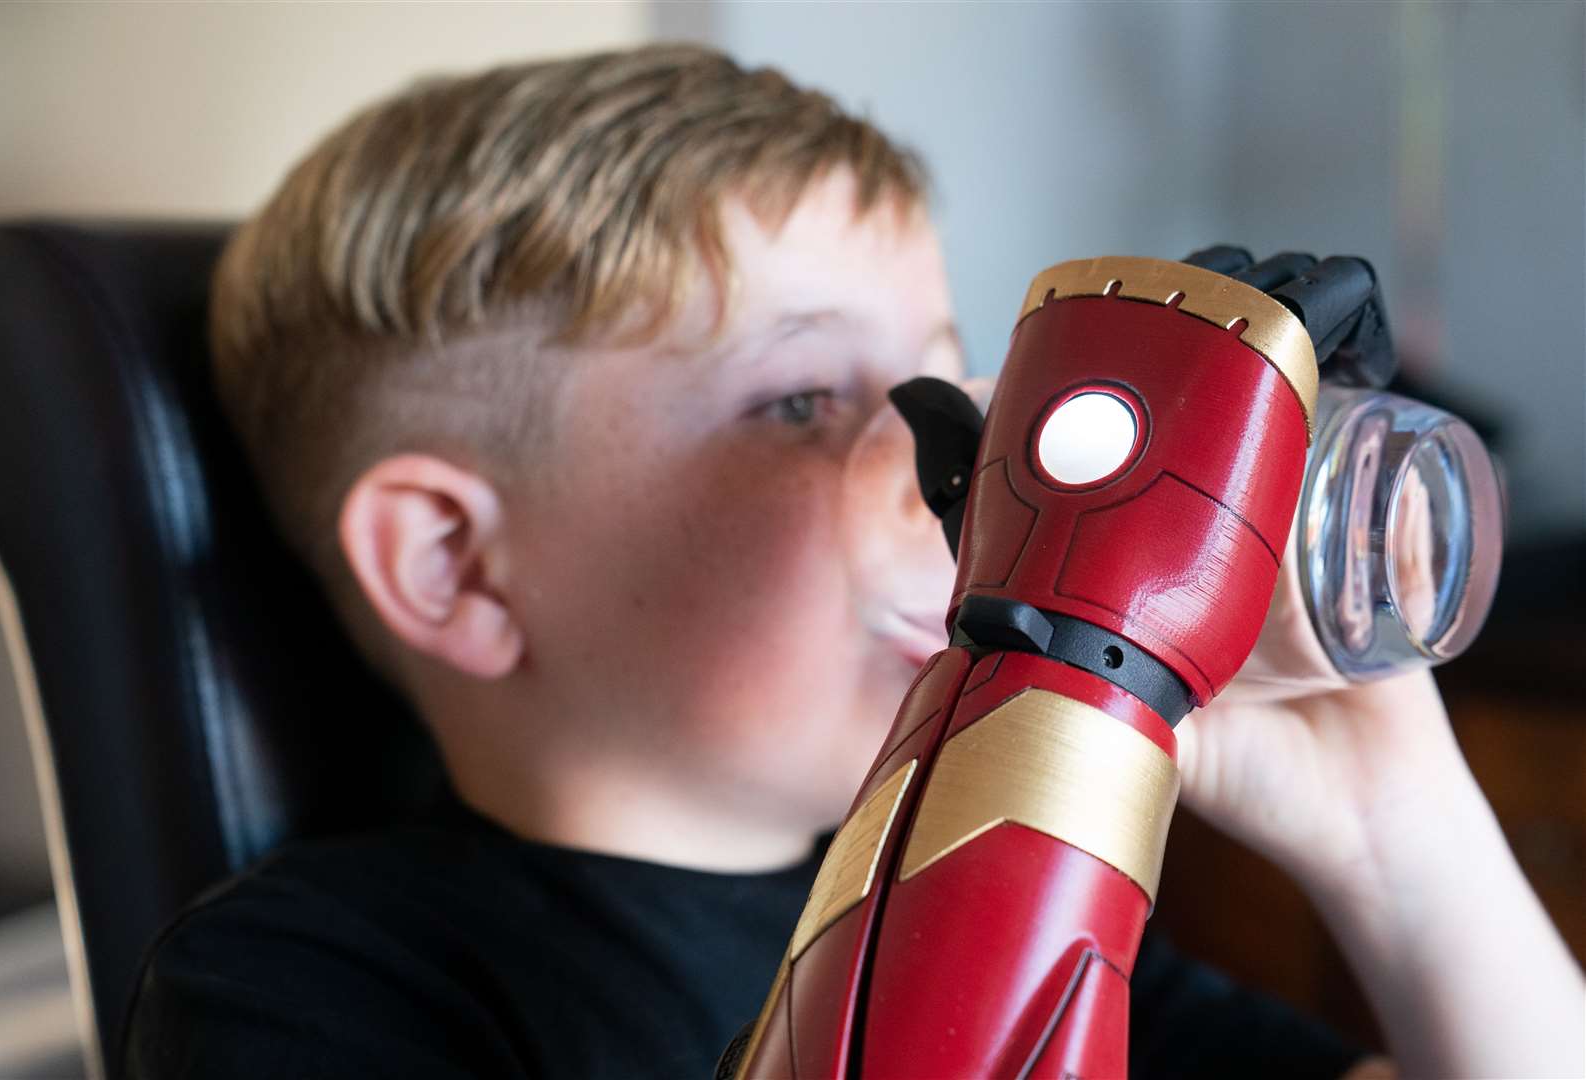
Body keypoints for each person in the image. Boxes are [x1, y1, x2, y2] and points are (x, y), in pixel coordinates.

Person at [122, 43, 1583, 1080]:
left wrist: (1395, 834)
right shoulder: (303, 982)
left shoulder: (957, 871)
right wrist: (1060, 660)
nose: (963, 485)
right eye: (807, 402)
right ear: (455, 566)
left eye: (958, 393)